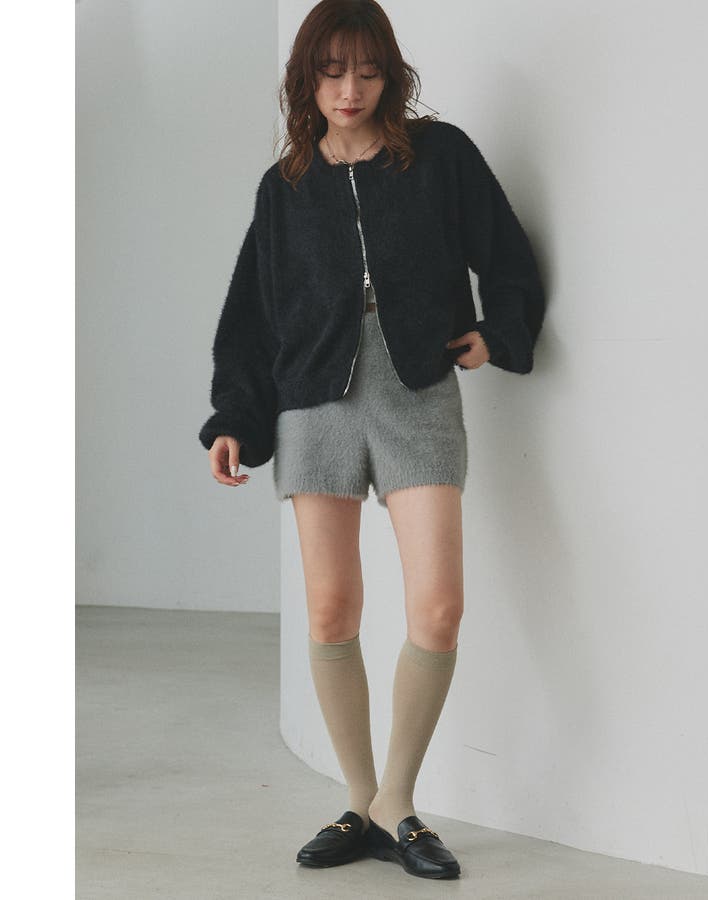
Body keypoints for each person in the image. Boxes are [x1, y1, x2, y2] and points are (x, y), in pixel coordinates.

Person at [198, 0, 545, 882]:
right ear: (305, 81)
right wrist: (234, 418)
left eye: (366, 70)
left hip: (417, 393)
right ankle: (358, 802)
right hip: (313, 405)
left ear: (391, 74)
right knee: (331, 611)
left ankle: (397, 800)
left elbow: (509, 254)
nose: (349, 89)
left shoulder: (440, 157)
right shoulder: (284, 187)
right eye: (330, 72)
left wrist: (498, 332)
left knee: (439, 607)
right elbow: (250, 318)